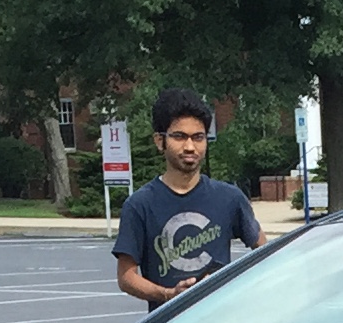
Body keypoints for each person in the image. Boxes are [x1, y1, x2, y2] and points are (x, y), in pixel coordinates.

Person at [112, 89, 263, 311]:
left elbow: (263, 251)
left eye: (198, 137)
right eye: (179, 136)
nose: (190, 146)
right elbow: (126, 277)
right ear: (159, 141)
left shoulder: (230, 198)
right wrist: (168, 295)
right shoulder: (139, 205)